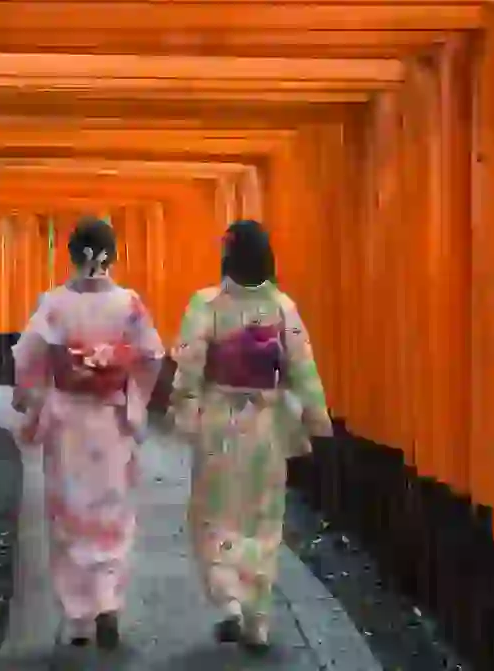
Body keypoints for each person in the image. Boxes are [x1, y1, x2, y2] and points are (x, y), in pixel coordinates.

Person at [169, 219, 333, 653]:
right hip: (266, 424)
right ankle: (258, 618)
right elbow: (302, 367)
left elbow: (189, 363)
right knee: (263, 519)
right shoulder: (283, 307)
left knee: (214, 513)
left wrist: (185, 411)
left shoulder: (206, 303)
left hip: (220, 421)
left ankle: (229, 599)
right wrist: (317, 418)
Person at [11, 217, 165, 649]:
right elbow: (151, 355)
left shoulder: (55, 304)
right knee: (112, 511)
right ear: (111, 256)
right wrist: (132, 392)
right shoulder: (128, 304)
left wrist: (31, 399)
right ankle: (108, 600)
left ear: (72, 254)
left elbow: (28, 356)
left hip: (66, 420)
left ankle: (78, 617)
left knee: (69, 514)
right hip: (111, 418)